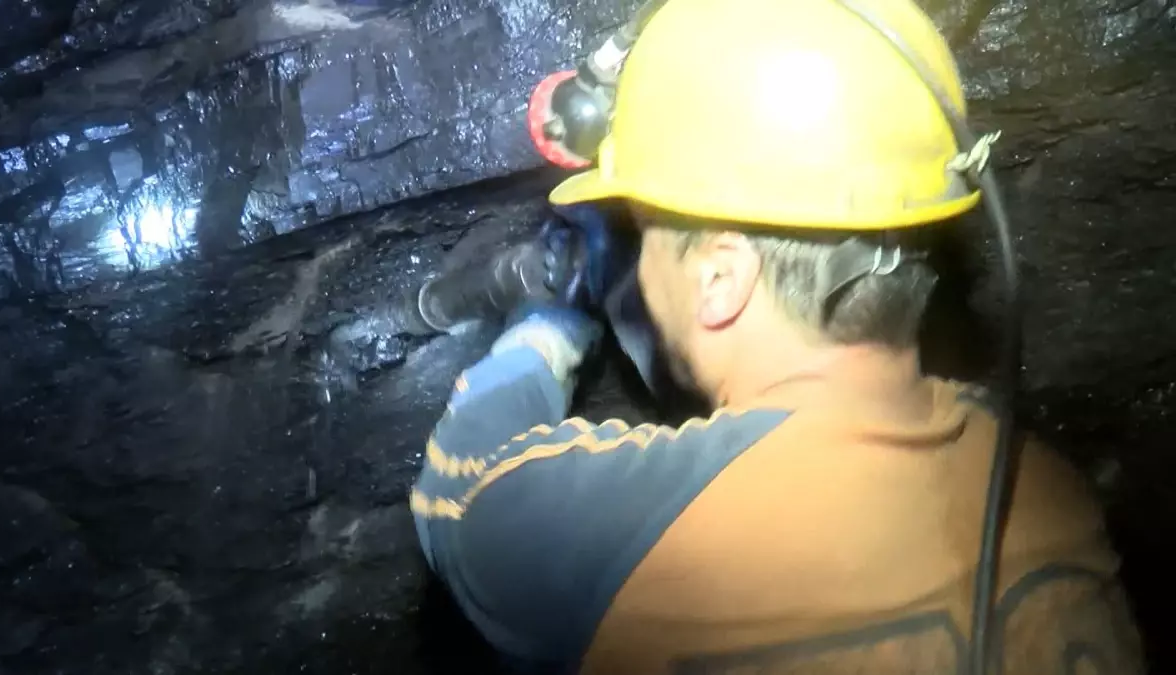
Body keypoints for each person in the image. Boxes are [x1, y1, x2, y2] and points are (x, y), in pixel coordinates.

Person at [409, 0, 1146, 672]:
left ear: (720, 278)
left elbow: (461, 491)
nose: (637, 255)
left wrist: (549, 325)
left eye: (643, 231)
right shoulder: (1049, 492)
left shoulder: (650, 538)